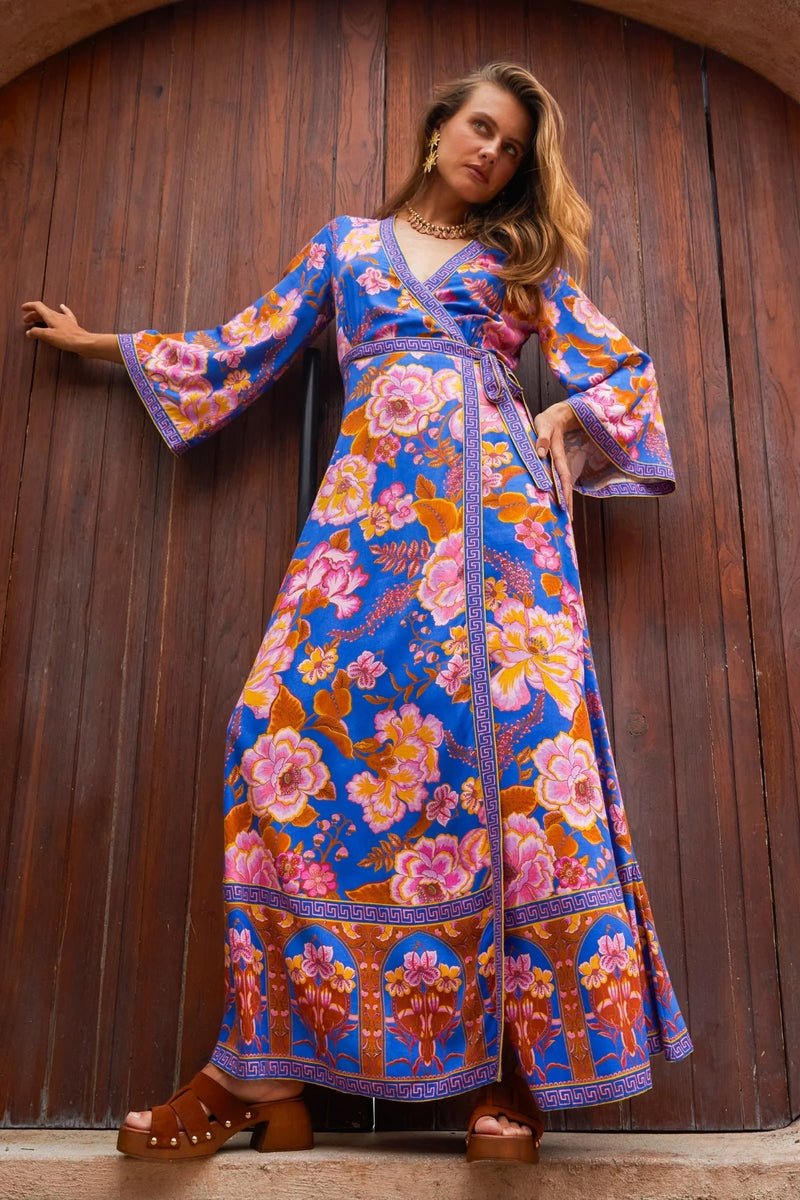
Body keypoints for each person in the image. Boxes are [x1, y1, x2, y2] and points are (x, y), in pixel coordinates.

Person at [22, 61, 692, 1165]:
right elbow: (243, 348)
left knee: (521, 767)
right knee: (269, 735)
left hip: (498, 543)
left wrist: (565, 418)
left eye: (513, 146)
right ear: (438, 131)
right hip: (365, 536)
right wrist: (103, 346)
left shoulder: (518, 265)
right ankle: (262, 1073)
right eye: (480, 128)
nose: (492, 152)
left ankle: (514, 1081)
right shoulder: (343, 248)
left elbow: (623, 372)